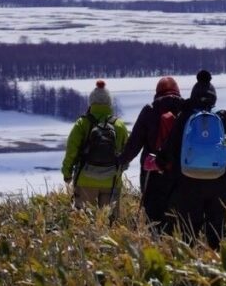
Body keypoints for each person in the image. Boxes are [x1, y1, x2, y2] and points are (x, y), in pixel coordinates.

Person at [162, 70, 226, 250]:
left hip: (188, 184)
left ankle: (190, 271)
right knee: (216, 234)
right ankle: (217, 269)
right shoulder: (224, 118)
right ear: (214, 98)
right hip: (219, 184)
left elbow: (169, 150)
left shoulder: (184, 118)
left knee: (189, 235)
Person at [116, 76, 184, 232]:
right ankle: (178, 252)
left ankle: (157, 250)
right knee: (178, 219)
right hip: (180, 174)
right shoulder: (185, 110)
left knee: (154, 220)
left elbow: (133, 145)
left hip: (152, 175)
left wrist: (120, 161)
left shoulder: (150, 111)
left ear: (157, 92)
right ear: (177, 91)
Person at [61, 80, 128, 212]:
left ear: (91, 102)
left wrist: (67, 173)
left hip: (85, 180)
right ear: (109, 102)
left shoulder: (82, 123)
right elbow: (127, 152)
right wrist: (120, 169)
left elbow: (71, 152)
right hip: (112, 181)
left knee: (84, 225)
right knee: (110, 225)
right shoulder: (119, 125)